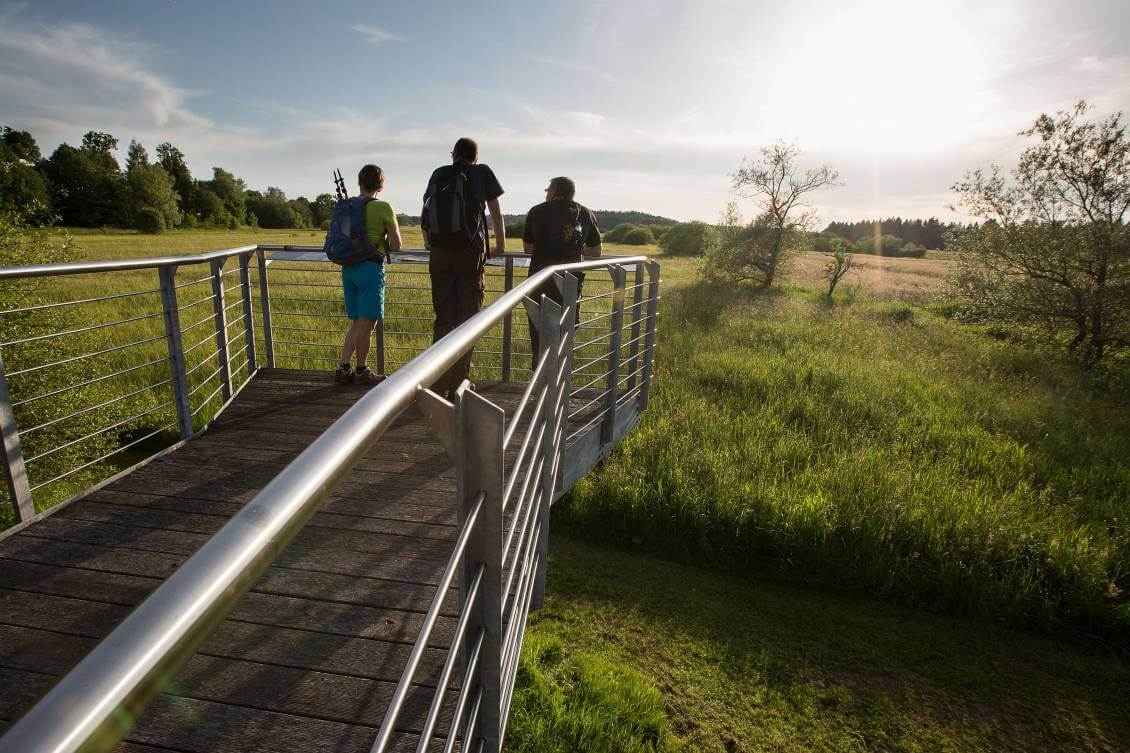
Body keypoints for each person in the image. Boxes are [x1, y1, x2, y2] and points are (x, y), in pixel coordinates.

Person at [422, 137, 505, 398]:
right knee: (467, 320)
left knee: (443, 318)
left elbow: (426, 212)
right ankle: (459, 382)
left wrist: (431, 244)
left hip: (439, 253)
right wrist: (499, 246)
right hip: (469, 254)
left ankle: (437, 382)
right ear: (475, 157)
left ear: (454, 154)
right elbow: (495, 212)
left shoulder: (438, 173)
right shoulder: (481, 172)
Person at [522, 176, 602, 360]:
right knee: (565, 334)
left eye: (548, 190)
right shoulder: (585, 213)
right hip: (570, 283)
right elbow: (596, 251)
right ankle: (562, 372)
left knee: (539, 334)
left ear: (555, 191)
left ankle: (539, 371)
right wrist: (578, 248)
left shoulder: (536, 211)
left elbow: (528, 248)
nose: (546, 194)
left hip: (539, 281)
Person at [336, 163, 402, 384]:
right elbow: (397, 244)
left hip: (349, 267)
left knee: (357, 323)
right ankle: (362, 370)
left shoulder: (348, 206)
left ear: (360, 183)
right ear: (381, 186)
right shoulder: (383, 207)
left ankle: (344, 368)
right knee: (367, 325)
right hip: (370, 268)